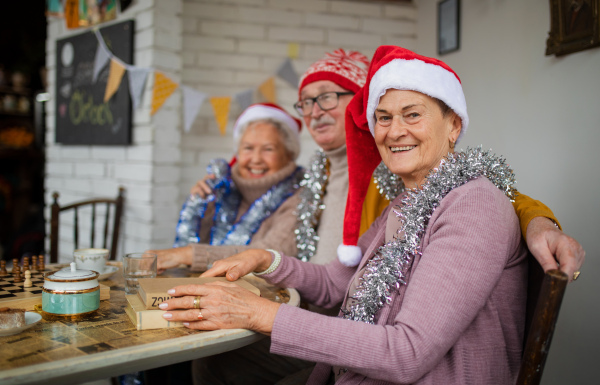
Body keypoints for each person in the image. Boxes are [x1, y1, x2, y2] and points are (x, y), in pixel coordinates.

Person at [186, 48, 586, 385]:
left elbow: (406, 352)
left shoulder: (473, 205)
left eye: (412, 115)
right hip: (355, 370)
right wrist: (264, 260)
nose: (394, 131)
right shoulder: (404, 201)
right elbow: (334, 283)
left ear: (454, 125)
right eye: (384, 117)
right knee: (217, 361)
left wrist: (259, 313)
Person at [148, 103, 304, 273]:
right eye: (248, 148)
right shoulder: (223, 188)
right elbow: (197, 241)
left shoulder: (300, 196)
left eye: (268, 149)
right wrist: (201, 208)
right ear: (237, 153)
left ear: (289, 154)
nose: (256, 159)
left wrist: (188, 255)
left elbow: (270, 253)